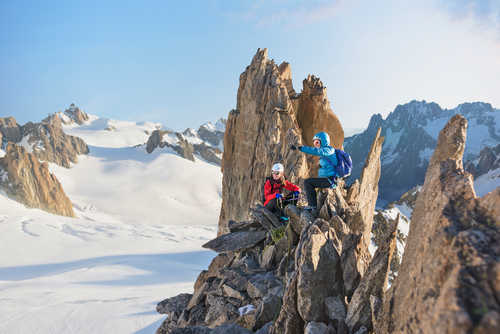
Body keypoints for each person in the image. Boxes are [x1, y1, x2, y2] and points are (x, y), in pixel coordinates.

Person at [291, 131, 337, 211]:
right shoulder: (326, 152)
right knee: (311, 183)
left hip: (330, 180)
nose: (316, 145)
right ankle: (314, 205)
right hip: (327, 179)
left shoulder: (329, 150)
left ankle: (312, 206)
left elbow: (316, 151)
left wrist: (300, 148)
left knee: (308, 182)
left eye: (317, 142)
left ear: (324, 141)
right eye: (314, 143)